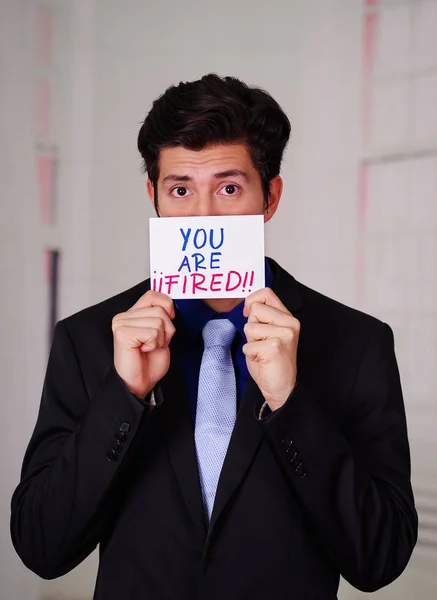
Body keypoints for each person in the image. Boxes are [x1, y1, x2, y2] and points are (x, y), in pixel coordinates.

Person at [11, 74, 417, 599]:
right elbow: (41, 547)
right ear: (153, 196)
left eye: (229, 188)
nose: (203, 216)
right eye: (180, 190)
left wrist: (289, 403)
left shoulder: (357, 345)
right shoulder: (88, 340)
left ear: (269, 197)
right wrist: (123, 397)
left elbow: (379, 557)